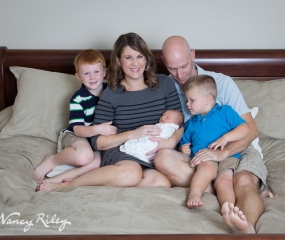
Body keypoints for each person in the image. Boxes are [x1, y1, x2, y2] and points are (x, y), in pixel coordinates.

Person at [153, 35, 274, 234]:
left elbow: (250, 129)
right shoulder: (165, 87)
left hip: (237, 149)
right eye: (172, 68)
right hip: (200, 155)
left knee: (243, 182)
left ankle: (246, 229)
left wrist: (224, 152)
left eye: (183, 66)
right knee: (163, 158)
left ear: (193, 55)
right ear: (164, 63)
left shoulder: (221, 83)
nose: (180, 74)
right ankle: (222, 190)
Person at [36, 32, 182, 192]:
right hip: (121, 151)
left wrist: (171, 142)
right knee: (130, 174)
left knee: (161, 182)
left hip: (151, 153)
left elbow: (180, 123)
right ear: (118, 61)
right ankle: (68, 184)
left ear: (146, 59)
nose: (135, 63)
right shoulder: (111, 94)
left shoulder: (165, 84)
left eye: (139, 56)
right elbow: (97, 142)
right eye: (128, 57)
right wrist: (131, 135)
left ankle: (108, 179)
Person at [34, 49, 117, 185]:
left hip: (95, 139)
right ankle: (53, 160)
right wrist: (98, 129)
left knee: (96, 164)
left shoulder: (112, 92)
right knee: (84, 157)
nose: (92, 77)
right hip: (76, 135)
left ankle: (59, 181)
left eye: (96, 71)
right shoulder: (78, 99)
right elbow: (78, 129)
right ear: (78, 77)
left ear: (104, 72)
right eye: (86, 73)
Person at [179, 74, 249, 212]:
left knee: (224, 181)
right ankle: (195, 194)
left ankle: (228, 208)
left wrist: (226, 138)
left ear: (207, 99)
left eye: (191, 100)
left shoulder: (225, 111)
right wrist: (183, 149)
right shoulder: (191, 124)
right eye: (187, 100)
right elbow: (183, 142)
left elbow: (245, 128)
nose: (187, 104)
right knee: (205, 169)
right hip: (204, 157)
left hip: (228, 156)